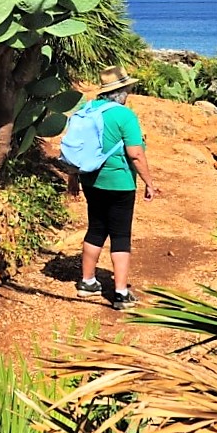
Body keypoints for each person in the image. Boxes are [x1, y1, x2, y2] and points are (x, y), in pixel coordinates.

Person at [67, 66, 154, 309]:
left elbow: (76, 147)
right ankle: (120, 293)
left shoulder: (85, 109)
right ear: (121, 91)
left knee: (95, 228)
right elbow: (135, 154)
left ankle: (87, 282)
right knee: (120, 236)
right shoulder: (124, 115)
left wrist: (72, 177)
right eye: (128, 89)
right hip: (120, 183)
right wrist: (149, 182)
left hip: (90, 180)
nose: (129, 93)